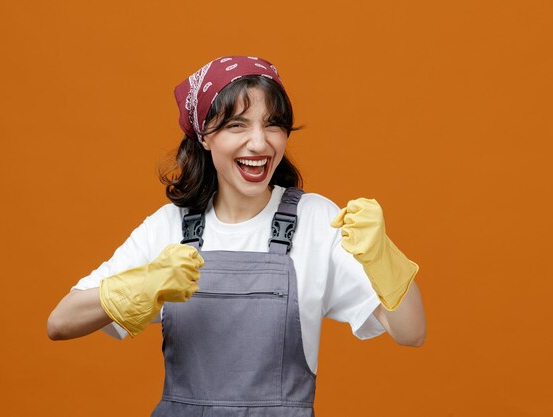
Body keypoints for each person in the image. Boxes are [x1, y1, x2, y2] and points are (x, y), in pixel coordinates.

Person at [47, 56, 426, 416]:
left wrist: (383, 256)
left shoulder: (316, 220)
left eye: (273, 124)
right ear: (204, 137)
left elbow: (411, 333)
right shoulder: (169, 227)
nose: (260, 144)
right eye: (237, 125)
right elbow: (60, 323)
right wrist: (140, 285)